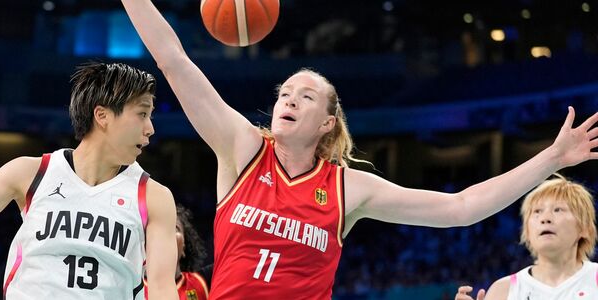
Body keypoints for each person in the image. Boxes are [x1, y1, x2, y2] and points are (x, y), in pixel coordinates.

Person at [117, 0, 598, 298]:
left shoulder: (347, 187)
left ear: (327, 123)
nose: (288, 99)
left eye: (304, 96)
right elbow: (173, 61)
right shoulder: (242, 148)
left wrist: (551, 159)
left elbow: (461, 207)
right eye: (284, 92)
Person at [0, 62, 178, 299]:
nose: (150, 129)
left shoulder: (153, 196)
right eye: (142, 114)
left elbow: (161, 288)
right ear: (102, 116)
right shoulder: (32, 172)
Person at [455, 175, 598, 300]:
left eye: (558, 210)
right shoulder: (503, 291)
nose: (545, 218)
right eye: (537, 212)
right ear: (527, 232)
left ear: (584, 228)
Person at [145, 204, 210, 300]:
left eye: (175, 228)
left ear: (184, 247)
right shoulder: (129, 287)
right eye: (160, 228)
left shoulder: (203, 282)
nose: (167, 233)